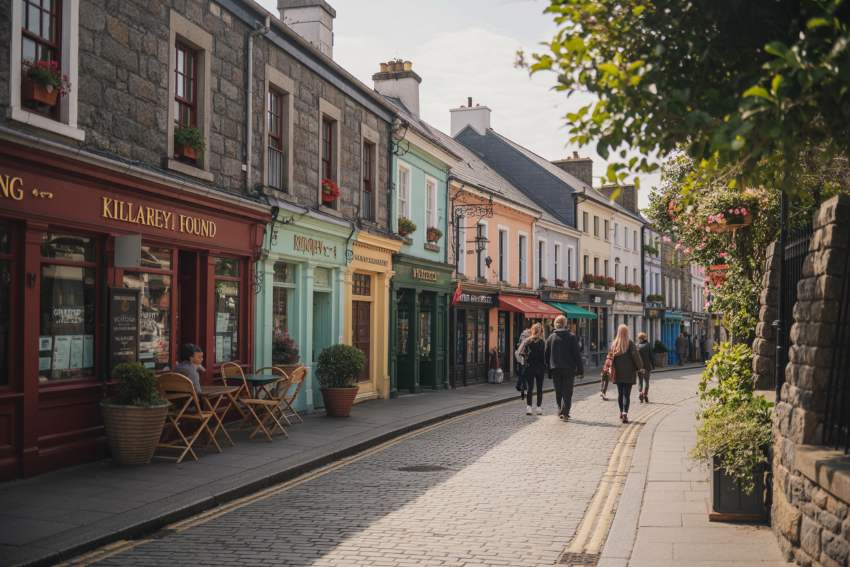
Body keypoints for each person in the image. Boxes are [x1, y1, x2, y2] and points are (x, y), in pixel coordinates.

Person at [545, 315, 584, 420]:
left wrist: (548, 370)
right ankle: (565, 412)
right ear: (565, 324)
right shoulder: (571, 337)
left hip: (555, 369)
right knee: (567, 391)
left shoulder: (550, 338)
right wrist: (580, 370)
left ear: (556, 324)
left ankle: (560, 409)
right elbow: (577, 355)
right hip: (568, 369)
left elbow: (546, 355)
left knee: (558, 390)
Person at [606, 324, 645, 423]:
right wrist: (640, 367)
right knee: (626, 395)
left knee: (620, 393)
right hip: (629, 373)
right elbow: (636, 357)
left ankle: (621, 412)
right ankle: (624, 413)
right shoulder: (630, 344)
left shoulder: (614, 344)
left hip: (618, 373)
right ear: (627, 333)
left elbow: (610, 358)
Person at [517, 323, 546, 415]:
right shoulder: (543, 342)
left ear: (532, 330)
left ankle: (529, 408)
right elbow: (545, 356)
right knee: (539, 388)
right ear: (541, 331)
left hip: (529, 367)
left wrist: (523, 362)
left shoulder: (527, 341)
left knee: (530, 388)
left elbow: (518, 352)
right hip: (540, 368)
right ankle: (538, 408)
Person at [514, 323, 532, 398]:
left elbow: (519, 345)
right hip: (526, 356)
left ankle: (523, 386)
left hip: (520, 355)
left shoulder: (522, 335)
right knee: (524, 372)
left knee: (522, 371)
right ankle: (519, 385)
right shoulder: (529, 336)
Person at [636, 332, 655, 403]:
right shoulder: (648, 345)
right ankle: (645, 395)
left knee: (640, 382)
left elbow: (635, 358)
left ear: (639, 339)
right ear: (645, 338)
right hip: (647, 367)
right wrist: (653, 365)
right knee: (646, 382)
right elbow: (651, 356)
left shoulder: (637, 346)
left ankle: (640, 392)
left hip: (639, 367)